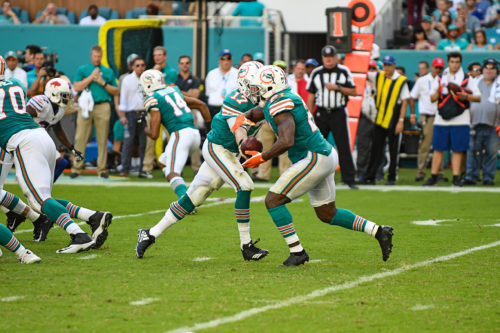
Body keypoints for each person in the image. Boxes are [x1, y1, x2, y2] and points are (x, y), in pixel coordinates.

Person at [242, 65, 393, 266]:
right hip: (323, 155)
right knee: (326, 213)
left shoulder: (280, 104)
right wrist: (238, 120)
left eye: (259, 87)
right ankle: (379, 231)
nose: (256, 91)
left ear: (271, 87)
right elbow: (256, 113)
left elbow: (286, 141)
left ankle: (297, 252)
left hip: (314, 157)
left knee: (273, 200)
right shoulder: (279, 98)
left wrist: (261, 157)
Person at [136, 62, 270, 261]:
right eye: (255, 84)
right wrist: (246, 148)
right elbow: (239, 131)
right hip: (218, 148)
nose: (260, 88)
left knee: (194, 198)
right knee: (245, 185)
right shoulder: (235, 101)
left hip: (229, 152)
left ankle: (150, 233)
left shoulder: (266, 98)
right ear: (245, 85)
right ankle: (246, 246)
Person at [0, 56, 112, 254]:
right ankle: (92, 216)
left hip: (24, 142)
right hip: (41, 138)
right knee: (45, 199)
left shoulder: (46, 103)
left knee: (38, 200)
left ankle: (79, 235)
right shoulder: (16, 83)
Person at [140, 69, 211, 199]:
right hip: (194, 134)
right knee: (163, 161)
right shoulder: (174, 90)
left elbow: (154, 134)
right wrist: (210, 132)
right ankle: (190, 191)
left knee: (172, 172)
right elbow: (202, 105)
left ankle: (185, 202)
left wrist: (144, 127)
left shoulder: (153, 99)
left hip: (180, 135)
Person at [424, 51, 481, 187]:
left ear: (460, 63)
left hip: (461, 118)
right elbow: (432, 98)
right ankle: (433, 176)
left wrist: (465, 96)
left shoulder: (468, 79)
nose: (454, 65)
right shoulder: (439, 78)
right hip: (441, 118)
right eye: (452, 62)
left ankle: (456, 177)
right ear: (448, 63)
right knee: (438, 148)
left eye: (457, 62)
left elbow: (478, 97)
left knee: (458, 149)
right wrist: (439, 90)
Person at [307, 45, 358, 189]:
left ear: (336, 58)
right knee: (317, 147)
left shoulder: (343, 71)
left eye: (331, 57)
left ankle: (349, 178)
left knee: (343, 146)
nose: (329, 60)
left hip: (337, 112)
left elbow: (354, 91)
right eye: (326, 57)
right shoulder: (317, 73)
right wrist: (309, 116)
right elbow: (311, 95)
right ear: (322, 58)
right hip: (321, 113)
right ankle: (314, 177)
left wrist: (338, 88)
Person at [361, 55, 411, 185]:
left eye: (389, 65)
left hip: (394, 120)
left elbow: (405, 101)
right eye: (385, 65)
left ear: (394, 66)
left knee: (393, 150)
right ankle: (370, 176)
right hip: (380, 119)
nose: (387, 68)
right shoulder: (379, 75)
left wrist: (401, 121)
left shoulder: (401, 81)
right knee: (376, 149)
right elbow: (364, 74)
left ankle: (392, 177)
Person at [72, 45, 119, 179]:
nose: (97, 59)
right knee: (80, 137)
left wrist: (102, 82)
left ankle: (102, 169)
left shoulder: (108, 71)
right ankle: (76, 167)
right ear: (91, 56)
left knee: (102, 138)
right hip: (85, 106)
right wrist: (91, 77)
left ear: (102, 56)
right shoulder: (83, 70)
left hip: (102, 105)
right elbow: (77, 87)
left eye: (99, 56)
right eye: (95, 56)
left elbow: (116, 91)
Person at [464, 59, 500, 185]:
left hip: (494, 124)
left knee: (491, 152)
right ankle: (471, 176)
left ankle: (488, 177)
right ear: (483, 70)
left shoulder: (499, 83)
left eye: (492, 68)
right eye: (487, 68)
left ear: (496, 71)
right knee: (473, 151)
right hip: (475, 123)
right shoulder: (475, 82)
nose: (489, 71)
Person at [410, 58, 445, 182]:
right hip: (428, 116)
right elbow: (412, 97)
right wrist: (413, 114)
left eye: (440, 68)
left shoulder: (444, 80)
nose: (438, 70)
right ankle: (421, 172)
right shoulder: (422, 80)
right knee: (425, 145)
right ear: (432, 67)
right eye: (436, 67)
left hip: (441, 116)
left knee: (440, 146)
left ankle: (439, 172)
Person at [117, 57, 147, 177]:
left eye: (142, 65)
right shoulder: (127, 80)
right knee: (128, 142)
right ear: (133, 67)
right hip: (131, 113)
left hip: (144, 113)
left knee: (143, 143)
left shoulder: (148, 79)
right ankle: (125, 168)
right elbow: (123, 98)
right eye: (138, 65)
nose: (140, 67)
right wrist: (122, 115)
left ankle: (142, 170)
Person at [176, 55, 203, 174]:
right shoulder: (175, 78)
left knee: (195, 139)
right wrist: (188, 94)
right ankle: (177, 167)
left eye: (187, 63)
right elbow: (174, 95)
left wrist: (180, 92)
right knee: (176, 139)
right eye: (182, 63)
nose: (184, 65)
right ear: (179, 65)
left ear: (190, 64)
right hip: (176, 111)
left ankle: (196, 167)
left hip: (191, 111)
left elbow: (195, 96)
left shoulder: (195, 79)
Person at [357, 61, 381, 180]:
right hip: (364, 118)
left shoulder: (381, 83)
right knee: (363, 147)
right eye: (369, 68)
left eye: (373, 68)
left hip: (379, 118)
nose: (371, 71)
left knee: (378, 147)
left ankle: (378, 172)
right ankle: (362, 171)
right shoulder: (360, 84)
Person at [205, 49, 239, 119]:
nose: (226, 61)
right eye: (223, 59)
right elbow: (208, 93)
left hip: (231, 109)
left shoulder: (237, 74)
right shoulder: (211, 74)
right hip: (213, 108)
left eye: (228, 58)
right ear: (219, 60)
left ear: (231, 60)